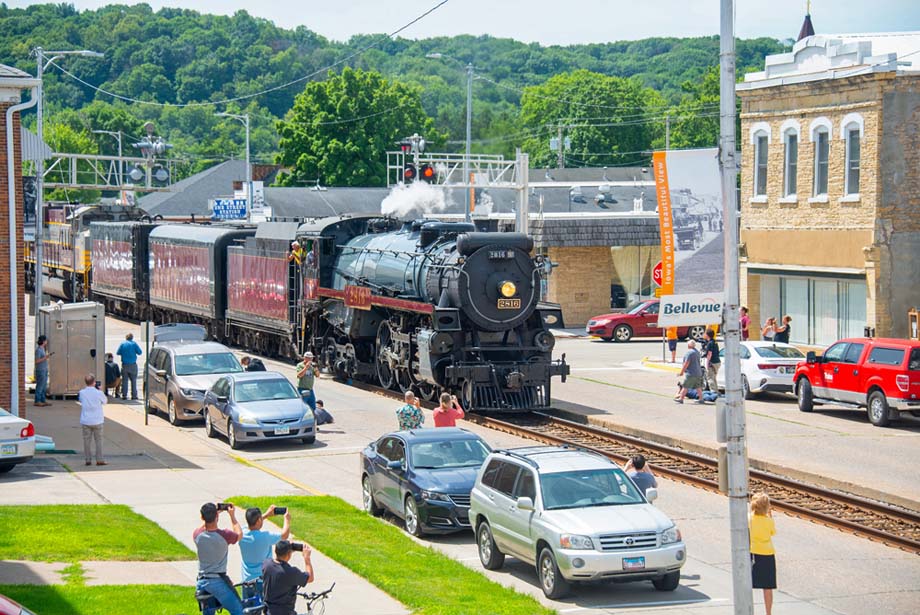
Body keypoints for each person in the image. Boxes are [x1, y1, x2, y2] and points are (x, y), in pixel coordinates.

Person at [194, 502, 244, 615]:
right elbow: (239, 534)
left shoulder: (197, 535)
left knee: (209, 612)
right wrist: (232, 516)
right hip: (218, 581)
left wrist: (214, 514)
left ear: (202, 517)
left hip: (201, 581)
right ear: (217, 517)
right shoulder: (225, 535)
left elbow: (202, 527)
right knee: (238, 611)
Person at [239, 505, 291, 601]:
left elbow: (251, 524)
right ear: (259, 520)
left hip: (246, 581)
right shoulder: (265, 537)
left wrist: (266, 515)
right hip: (263, 581)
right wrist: (287, 519)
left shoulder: (241, 534)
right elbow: (285, 534)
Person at [262, 540, 313, 615]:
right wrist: (307, 559)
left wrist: (287, 549)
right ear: (289, 554)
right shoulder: (291, 572)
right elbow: (310, 577)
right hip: (285, 612)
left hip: (269, 611)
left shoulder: (266, 564)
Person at [750, 492, 777, 615]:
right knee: (768, 586)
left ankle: (748, 608)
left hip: (752, 552)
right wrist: (769, 516)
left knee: (748, 583)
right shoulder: (768, 521)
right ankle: (768, 612)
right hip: (767, 554)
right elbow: (772, 532)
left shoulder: (749, 518)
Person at [78, 373, 107, 466]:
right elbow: (105, 401)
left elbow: (81, 400)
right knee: (99, 440)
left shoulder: (82, 392)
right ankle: (100, 459)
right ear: (94, 382)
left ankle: (87, 459)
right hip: (97, 420)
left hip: (86, 420)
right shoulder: (98, 393)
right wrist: (101, 390)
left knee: (87, 441)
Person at [675, 340, 705, 404]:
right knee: (698, 387)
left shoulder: (689, 353)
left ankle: (681, 399)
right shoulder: (697, 352)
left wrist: (681, 372)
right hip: (698, 372)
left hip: (691, 373)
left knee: (685, 386)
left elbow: (686, 363)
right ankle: (701, 399)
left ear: (689, 345)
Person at [116, 333, 143, 401]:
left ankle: (124, 395)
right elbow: (140, 352)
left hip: (124, 365)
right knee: (133, 381)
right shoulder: (134, 344)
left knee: (125, 381)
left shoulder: (122, 344)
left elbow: (118, 352)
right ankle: (134, 395)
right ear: (132, 338)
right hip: (133, 364)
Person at [34, 335, 52, 407]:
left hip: (44, 369)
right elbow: (37, 361)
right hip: (40, 370)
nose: (47, 342)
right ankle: (37, 400)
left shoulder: (43, 349)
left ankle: (42, 400)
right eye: (46, 340)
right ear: (43, 341)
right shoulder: (38, 350)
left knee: (44, 386)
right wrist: (46, 357)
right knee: (40, 385)